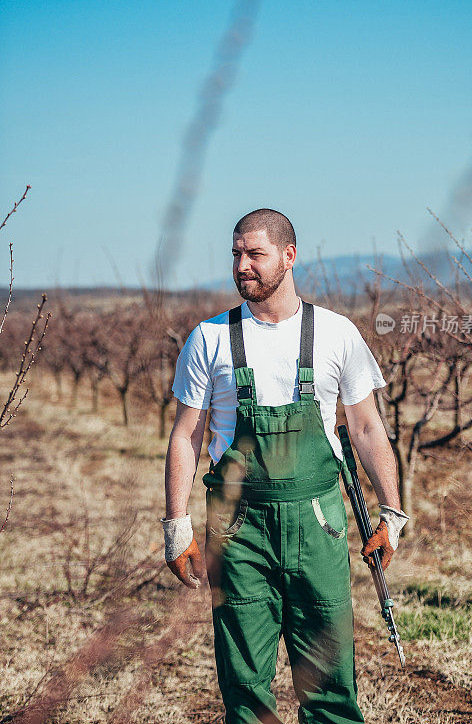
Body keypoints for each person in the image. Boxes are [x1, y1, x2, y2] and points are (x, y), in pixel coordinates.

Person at [161, 209, 409, 724]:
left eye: (255, 253)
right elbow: (187, 434)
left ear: (288, 256)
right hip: (237, 530)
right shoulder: (209, 338)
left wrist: (393, 513)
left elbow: (365, 428)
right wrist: (176, 526)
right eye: (235, 254)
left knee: (330, 682)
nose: (242, 265)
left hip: (318, 524)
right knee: (244, 685)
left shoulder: (336, 333)